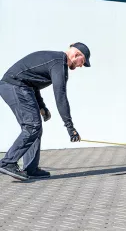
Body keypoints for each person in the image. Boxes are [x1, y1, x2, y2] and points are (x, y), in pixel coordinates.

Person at [0, 43, 91, 181]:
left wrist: (42, 107)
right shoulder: (58, 63)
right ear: (76, 55)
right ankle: (7, 163)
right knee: (32, 126)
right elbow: (60, 96)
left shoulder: (56, 60)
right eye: (82, 62)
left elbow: (33, 83)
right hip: (14, 86)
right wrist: (70, 127)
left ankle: (30, 168)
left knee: (35, 128)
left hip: (20, 87)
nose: (80, 66)